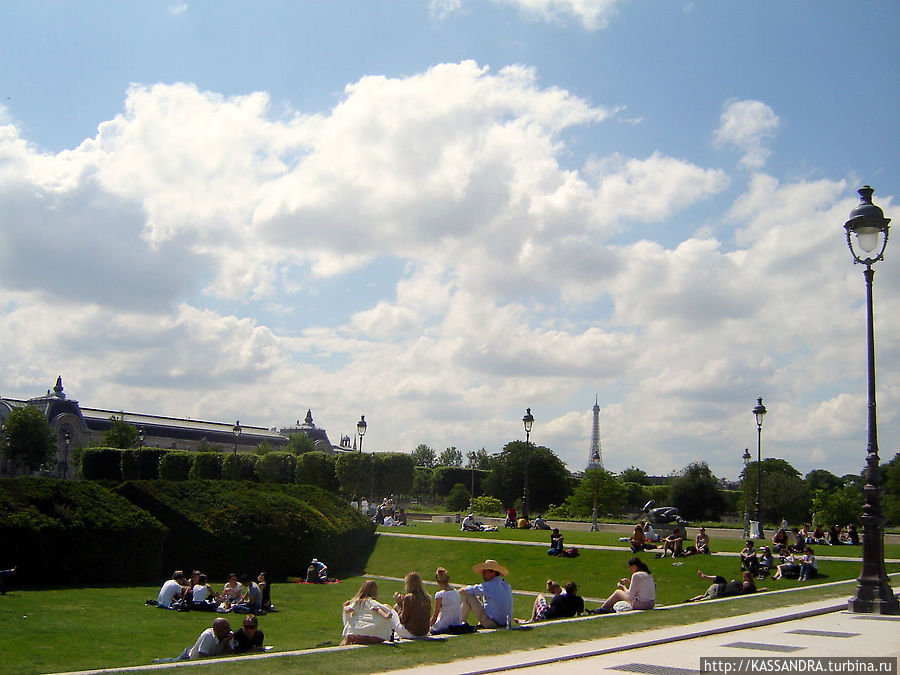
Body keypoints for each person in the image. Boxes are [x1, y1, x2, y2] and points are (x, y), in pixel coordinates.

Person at [460, 559, 514, 629]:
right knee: (480, 596)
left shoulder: (489, 585)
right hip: (505, 623)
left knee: (468, 596)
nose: (482, 574)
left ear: (493, 572)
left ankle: (458, 623)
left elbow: (464, 590)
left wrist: (453, 593)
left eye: (485, 572)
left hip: (493, 624)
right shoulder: (506, 585)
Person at [589, 557, 655, 613]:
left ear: (634, 566)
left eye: (630, 567)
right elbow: (641, 587)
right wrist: (630, 583)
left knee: (618, 593)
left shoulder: (636, 575)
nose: (629, 569)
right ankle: (603, 609)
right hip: (651, 603)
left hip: (642, 605)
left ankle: (601, 609)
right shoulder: (648, 575)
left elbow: (630, 596)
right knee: (620, 594)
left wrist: (623, 587)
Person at [341, 580, 394, 645]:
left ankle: (350, 640)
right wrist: (385, 616)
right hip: (374, 632)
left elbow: (347, 610)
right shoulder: (371, 602)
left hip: (357, 629)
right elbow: (377, 609)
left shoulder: (357, 602)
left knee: (352, 632)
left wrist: (344, 606)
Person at [392, 571, 432, 638]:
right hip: (424, 633)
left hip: (411, 633)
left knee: (392, 609)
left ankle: (389, 633)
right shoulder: (427, 597)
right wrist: (403, 603)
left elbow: (402, 620)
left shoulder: (409, 597)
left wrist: (399, 604)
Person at [429, 567, 466, 634]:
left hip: (444, 625)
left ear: (438, 582)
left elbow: (435, 616)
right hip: (457, 623)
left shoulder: (439, 595)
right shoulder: (457, 592)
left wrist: (427, 625)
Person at [686, 569, 756, 602]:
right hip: (718, 592)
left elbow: (732, 581)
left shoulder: (738, 583)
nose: (743, 579)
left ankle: (691, 599)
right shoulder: (739, 588)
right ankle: (693, 601)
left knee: (704, 595)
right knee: (703, 599)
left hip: (716, 586)